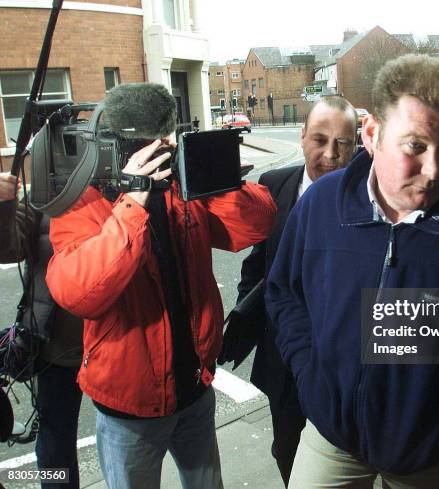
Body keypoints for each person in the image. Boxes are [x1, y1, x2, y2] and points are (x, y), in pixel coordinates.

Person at [266, 54, 439, 489]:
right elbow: (285, 293)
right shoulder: (320, 204)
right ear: (373, 134)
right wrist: (312, 380)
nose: (434, 170)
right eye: (415, 146)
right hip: (331, 438)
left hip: (432, 454)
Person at [45, 83, 277, 489]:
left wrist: (217, 177)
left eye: (160, 142)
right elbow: (80, 293)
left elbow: (255, 226)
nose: (154, 154)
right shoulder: (83, 202)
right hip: (128, 406)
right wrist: (133, 202)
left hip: (194, 389)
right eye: (140, 145)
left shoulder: (181, 189)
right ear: (112, 142)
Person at [230, 95, 357, 486]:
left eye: (343, 143)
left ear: (359, 145)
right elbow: (258, 264)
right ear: (302, 138)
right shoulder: (274, 184)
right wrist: (244, 318)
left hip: (343, 369)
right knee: (286, 450)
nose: (331, 155)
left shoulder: (374, 198)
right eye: (320, 140)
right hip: (283, 359)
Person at [0, 172, 84, 489]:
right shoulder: (44, 193)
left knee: (125, 441)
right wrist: (3, 205)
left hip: (116, 342)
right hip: (56, 347)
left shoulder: (125, 183)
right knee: (56, 450)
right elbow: (8, 249)